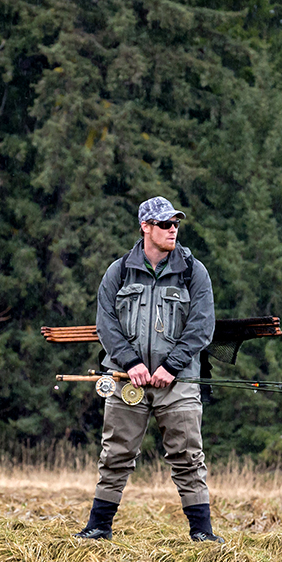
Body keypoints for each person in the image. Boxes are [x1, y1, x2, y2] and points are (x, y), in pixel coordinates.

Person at [75, 196, 222, 542]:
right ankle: (99, 527)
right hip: (127, 380)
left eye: (176, 224)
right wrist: (131, 363)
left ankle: (202, 533)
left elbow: (202, 326)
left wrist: (172, 365)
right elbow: (106, 325)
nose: (173, 230)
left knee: (188, 458)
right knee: (115, 455)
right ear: (145, 227)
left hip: (179, 381)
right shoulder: (118, 271)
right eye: (165, 224)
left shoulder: (194, 272)